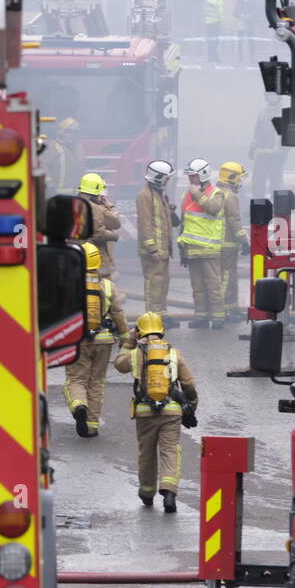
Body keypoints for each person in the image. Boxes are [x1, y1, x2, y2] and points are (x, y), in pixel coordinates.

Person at [114, 312, 198, 512]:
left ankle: (147, 493)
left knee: (147, 453)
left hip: (145, 412)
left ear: (140, 331)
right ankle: (169, 492)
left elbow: (118, 365)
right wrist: (191, 406)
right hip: (171, 411)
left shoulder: (135, 354)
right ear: (162, 330)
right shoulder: (173, 353)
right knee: (170, 450)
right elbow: (189, 384)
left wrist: (129, 341)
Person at [62, 242, 127, 438]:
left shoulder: (69, 283)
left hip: (78, 339)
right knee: (96, 382)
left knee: (77, 379)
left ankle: (79, 405)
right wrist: (125, 338)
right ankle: (91, 425)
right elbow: (118, 313)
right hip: (103, 340)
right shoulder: (107, 286)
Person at [176, 158, 226, 328]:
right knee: (197, 286)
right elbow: (184, 224)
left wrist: (197, 195)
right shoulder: (186, 196)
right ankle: (201, 317)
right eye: (189, 176)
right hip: (192, 249)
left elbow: (213, 209)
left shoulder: (216, 193)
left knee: (213, 285)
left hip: (210, 249)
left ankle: (218, 317)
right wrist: (182, 250)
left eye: (194, 176)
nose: (191, 180)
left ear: (203, 175)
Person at [135, 159, 179, 315]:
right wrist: (152, 248)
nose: (168, 180)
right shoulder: (144, 196)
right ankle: (152, 317)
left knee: (163, 283)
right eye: (166, 177)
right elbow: (145, 224)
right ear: (159, 177)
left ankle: (161, 314)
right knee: (153, 284)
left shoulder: (159, 194)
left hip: (162, 250)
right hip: (153, 251)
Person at [214, 162, 250, 323]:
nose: (240, 182)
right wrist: (245, 241)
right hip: (227, 243)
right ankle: (226, 309)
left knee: (223, 276)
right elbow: (235, 221)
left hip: (216, 243)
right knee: (227, 277)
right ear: (232, 177)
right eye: (239, 178)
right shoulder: (231, 196)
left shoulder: (216, 192)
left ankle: (230, 308)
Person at [77, 172, 122, 279]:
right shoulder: (96, 208)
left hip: (78, 253)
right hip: (95, 254)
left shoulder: (74, 203)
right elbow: (100, 233)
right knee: (103, 286)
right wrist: (114, 236)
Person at [248, 93, 287, 200]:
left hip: (276, 155)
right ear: (266, 97)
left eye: (274, 95)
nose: (271, 97)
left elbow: (287, 134)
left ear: (278, 97)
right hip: (261, 154)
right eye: (269, 95)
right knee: (257, 184)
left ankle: (277, 211)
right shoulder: (262, 113)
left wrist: (284, 151)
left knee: (276, 185)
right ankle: (259, 208)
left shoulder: (283, 112)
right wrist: (253, 148)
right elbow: (257, 133)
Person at [41, 117, 82, 194]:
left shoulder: (79, 148)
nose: (73, 135)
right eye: (69, 132)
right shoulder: (53, 147)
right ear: (61, 133)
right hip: (57, 193)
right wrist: (49, 185)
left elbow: (82, 169)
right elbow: (43, 165)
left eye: (75, 133)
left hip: (77, 194)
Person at [203, 0, 224, 64]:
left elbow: (204, 10)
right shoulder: (219, 1)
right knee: (215, 41)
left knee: (210, 41)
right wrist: (222, 22)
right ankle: (215, 57)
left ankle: (210, 57)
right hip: (215, 23)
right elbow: (220, 13)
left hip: (208, 23)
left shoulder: (209, 0)